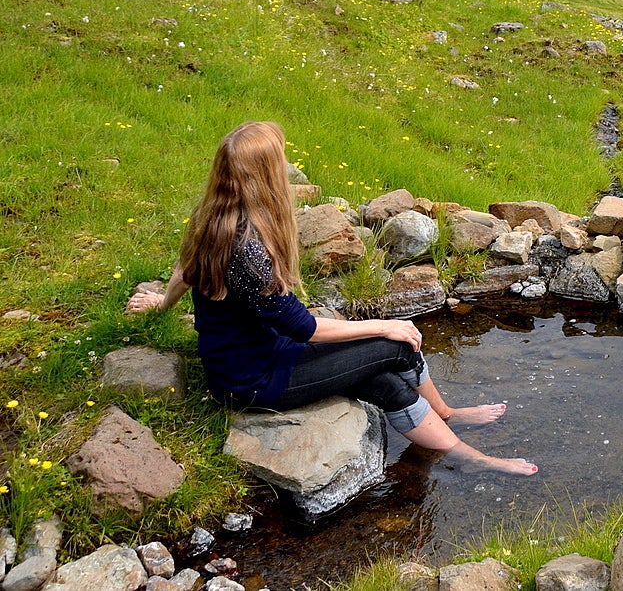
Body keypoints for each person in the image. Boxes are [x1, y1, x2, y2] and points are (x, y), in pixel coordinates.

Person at [127, 121, 535, 476]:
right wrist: (384, 324)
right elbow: (302, 327)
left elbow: (185, 269)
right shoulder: (246, 247)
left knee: (384, 381)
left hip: (252, 360)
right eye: (281, 160)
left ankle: (450, 430)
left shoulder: (213, 215)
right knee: (396, 347)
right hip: (255, 381)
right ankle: (465, 445)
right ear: (267, 175)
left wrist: (162, 303)